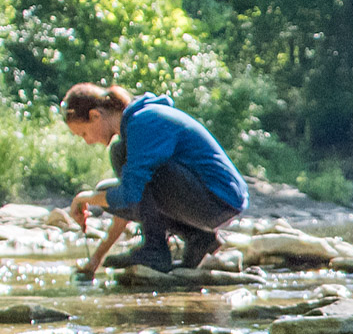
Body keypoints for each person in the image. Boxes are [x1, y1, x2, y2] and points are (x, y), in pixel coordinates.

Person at [63, 83, 248, 275]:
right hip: (209, 202)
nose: (88, 141)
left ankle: (155, 251)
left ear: (95, 116)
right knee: (118, 164)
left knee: (130, 174)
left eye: (84, 133)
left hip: (219, 201)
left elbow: (131, 194)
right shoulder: (134, 126)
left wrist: (83, 198)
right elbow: (132, 201)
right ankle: (198, 237)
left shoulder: (143, 122)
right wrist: (95, 260)